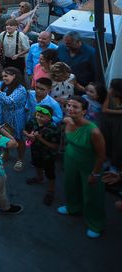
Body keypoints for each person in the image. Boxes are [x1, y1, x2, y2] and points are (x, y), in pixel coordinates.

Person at [58, 96, 106, 238]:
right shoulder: (67, 121)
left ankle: (96, 223)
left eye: (75, 107)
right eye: (69, 106)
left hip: (89, 165)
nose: (70, 109)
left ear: (84, 111)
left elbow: (101, 155)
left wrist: (95, 173)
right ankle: (72, 207)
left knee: (92, 195)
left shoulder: (93, 131)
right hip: (70, 159)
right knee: (70, 185)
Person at [0, 67, 28, 172]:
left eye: (6, 76)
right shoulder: (2, 84)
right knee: (3, 135)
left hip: (15, 118)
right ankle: (6, 153)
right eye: (3, 76)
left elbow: (9, 102)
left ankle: (20, 159)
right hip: (1, 115)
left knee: (18, 138)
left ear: (14, 76)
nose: (3, 78)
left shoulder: (21, 89)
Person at [24, 105, 61, 205]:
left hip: (48, 154)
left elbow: (54, 146)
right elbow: (24, 130)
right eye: (38, 115)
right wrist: (28, 135)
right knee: (37, 164)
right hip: (35, 150)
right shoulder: (33, 121)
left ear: (49, 118)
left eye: (42, 116)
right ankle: (39, 178)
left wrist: (40, 139)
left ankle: (51, 190)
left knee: (50, 172)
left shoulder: (54, 128)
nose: (38, 118)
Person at [100, 78, 122, 170]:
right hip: (108, 122)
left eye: (112, 87)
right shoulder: (110, 94)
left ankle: (115, 165)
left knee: (118, 144)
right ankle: (107, 162)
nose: (110, 89)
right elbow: (104, 110)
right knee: (107, 141)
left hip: (119, 124)